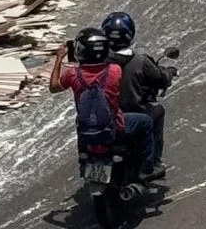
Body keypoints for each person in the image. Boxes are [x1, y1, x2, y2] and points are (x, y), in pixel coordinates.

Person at [50, 27, 154, 176]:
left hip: (87, 130)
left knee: (79, 120)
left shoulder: (72, 74)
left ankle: (83, 157)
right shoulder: (114, 70)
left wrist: (59, 58)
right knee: (146, 121)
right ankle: (146, 168)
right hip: (115, 127)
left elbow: (53, 87)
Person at [100, 12, 170, 179]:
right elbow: (160, 79)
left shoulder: (96, 61)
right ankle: (152, 163)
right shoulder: (140, 61)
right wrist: (169, 73)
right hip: (129, 116)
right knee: (158, 111)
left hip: (102, 118)